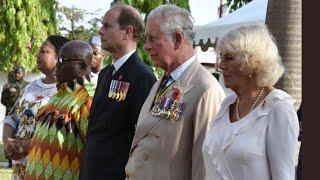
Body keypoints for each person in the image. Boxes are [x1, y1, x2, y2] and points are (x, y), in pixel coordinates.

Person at [125, 4, 225, 180]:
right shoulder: (161, 83)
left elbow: (205, 168)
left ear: (177, 39)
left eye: (153, 38)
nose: (146, 46)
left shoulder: (206, 89)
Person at [202, 24, 299, 180]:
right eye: (221, 57)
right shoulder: (227, 105)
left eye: (228, 58)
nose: (220, 66)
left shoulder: (278, 107)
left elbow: (284, 176)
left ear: (252, 62)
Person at [79, 3, 157, 179]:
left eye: (107, 26)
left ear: (127, 32)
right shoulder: (106, 73)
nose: (100, 31)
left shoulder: (142, 76)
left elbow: (143, 138)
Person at [24, 40, 96, 179]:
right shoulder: (59, 94)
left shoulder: (87, 97)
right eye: (58, 59)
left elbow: (95, 151)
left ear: (81, 66)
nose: (58, 65)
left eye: (63, 60)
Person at [2, 35, 69, 180]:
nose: (38, 55)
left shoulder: (65, 92)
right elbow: (12, 117)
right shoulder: (30, 87)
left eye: (44, 51)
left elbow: (60, 134)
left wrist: (24, 146)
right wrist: (8, 142)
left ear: (60, 58)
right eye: (39, 51)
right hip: (20, 167)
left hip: (44, 167)